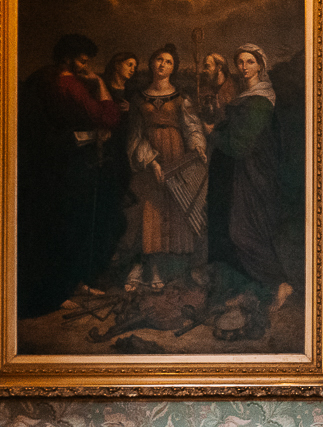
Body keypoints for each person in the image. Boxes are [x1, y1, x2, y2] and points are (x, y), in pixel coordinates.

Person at [16, 33, 124, 316]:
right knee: (67, 227)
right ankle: (58, 290)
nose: (84, 66)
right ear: (66, 57)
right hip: (67, 166)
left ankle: (71, 283)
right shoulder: (67, 84)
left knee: (56, 226)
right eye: (81, 60)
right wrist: (100, 84)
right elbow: (108, 118)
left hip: (44, 164)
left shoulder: (41, 78)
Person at [207, 43, 296, 311]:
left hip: (255, 173)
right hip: (244, 172)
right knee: (238, 230)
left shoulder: (259, 100)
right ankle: (254, 290)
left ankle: (281, 283)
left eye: (249, 62)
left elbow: (239, 144)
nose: (244, 67)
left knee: (244, 231)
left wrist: (213, 132)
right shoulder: (249, 96)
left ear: (260, 65)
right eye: (240, 62)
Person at [123, 44, 209, 292]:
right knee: (148, 212)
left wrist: (197, 145)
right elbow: (134, 136)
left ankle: (167, 270)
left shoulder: (181, 97)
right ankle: (145, 267)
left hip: (177, 157)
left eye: (168, 61)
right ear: (151, 63)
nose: (162, 65)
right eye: (159, 59)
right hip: (150, 158)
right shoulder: (139, 98)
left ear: (174, 67)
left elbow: (191, 126)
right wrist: (151, 161)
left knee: (173, 211)